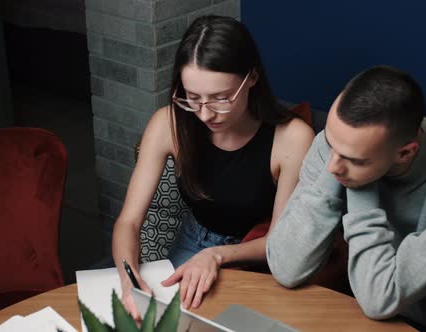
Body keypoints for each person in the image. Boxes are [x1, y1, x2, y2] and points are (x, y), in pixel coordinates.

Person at [266, 66, 426, 331]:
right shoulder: (337, 146)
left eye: (354, 159)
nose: (332, 168)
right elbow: (286, 268)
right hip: (372, 322)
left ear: (404, 154)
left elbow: (380, 299)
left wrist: (361, 187)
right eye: (331, 144)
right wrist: (352, 166)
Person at [112, 15, 314, 320]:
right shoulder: (168, 124)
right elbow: (128, 222)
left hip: (258, 256)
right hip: (192, 245)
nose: (205, 114)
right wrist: (129, 281)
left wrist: (217, 255)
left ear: (253, 78)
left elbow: (279, 241)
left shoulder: (293, 138)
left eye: (221, 99)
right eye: (193, 98)